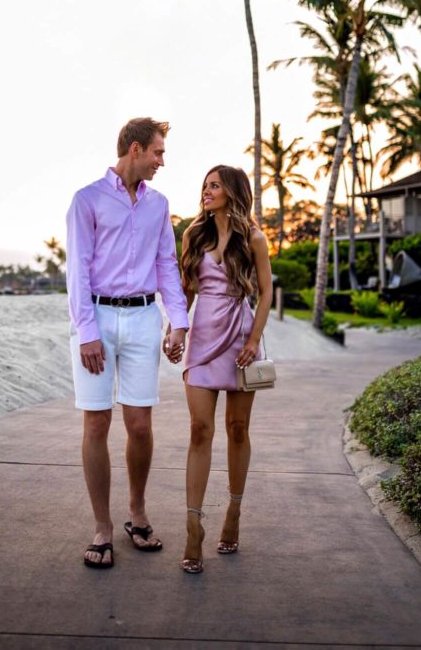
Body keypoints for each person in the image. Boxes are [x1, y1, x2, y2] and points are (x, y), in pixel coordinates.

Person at [66, 118, 189, 569]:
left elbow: (167, 266)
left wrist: (178, 322)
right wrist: (87, 332)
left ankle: (136, 514)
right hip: (96, 316)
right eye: (158, 152)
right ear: (135, 149)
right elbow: (77, 269)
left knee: (139, 425)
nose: (162, 161)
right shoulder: (87, 200)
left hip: (141, 318)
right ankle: (102, 527)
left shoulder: (159, 206)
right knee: (96, 424)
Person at [164, 165, 272, 574]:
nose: (206, 192)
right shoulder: (194, 235)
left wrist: (253, 340)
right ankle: (193, 528)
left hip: (241, 338)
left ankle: (234, 512)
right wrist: (175, 331)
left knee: (238, 429)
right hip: (203, 340)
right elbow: (184, 290)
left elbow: (265, 293)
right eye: (204, 186)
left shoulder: (255, 238)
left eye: (214, 185)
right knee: (199, 429)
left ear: (233, 191)